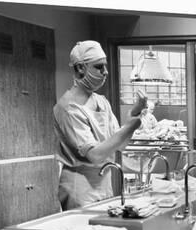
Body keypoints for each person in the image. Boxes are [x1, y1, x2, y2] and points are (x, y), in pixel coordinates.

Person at [54, 40, 147, 210]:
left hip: (104, 183)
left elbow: (120, 145)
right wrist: (130, 126)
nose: (105, 72)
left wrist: (132, 116)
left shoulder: (101, 102)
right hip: (80, 187)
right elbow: (95, 155)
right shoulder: (68, 108)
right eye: (99, 67)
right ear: (80, 68)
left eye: (105, 66)